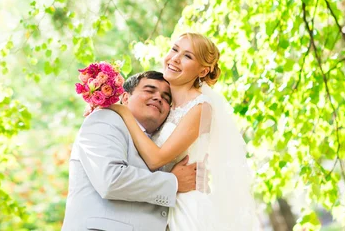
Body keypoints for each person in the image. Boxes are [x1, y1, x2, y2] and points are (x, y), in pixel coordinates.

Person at [108, 32, 258, 230]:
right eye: (174, 49)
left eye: (188, 56)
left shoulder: (200, 107)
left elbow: (156, 159)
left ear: (203, 72)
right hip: (158, 205)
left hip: (186, 208)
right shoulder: (164, 105)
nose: (175, 58)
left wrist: (123, 113)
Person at [62, 71, 197, 231]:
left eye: (166, 98)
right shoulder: (104, 119)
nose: (158, 98)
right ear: (125, 98)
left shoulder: (158, 145)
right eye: (149, 90)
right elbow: (111, 180)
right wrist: (173, 182)